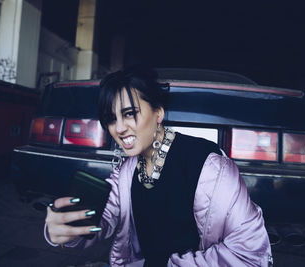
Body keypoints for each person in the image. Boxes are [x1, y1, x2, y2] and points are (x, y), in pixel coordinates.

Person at [44, 66, 272, 266]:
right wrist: (66, 229)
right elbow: (102, 221)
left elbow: (249, 254)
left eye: (130, 113)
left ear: (158, 112)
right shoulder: (126, 171)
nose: (119, 128)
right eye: (112, 119)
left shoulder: (210, 167)